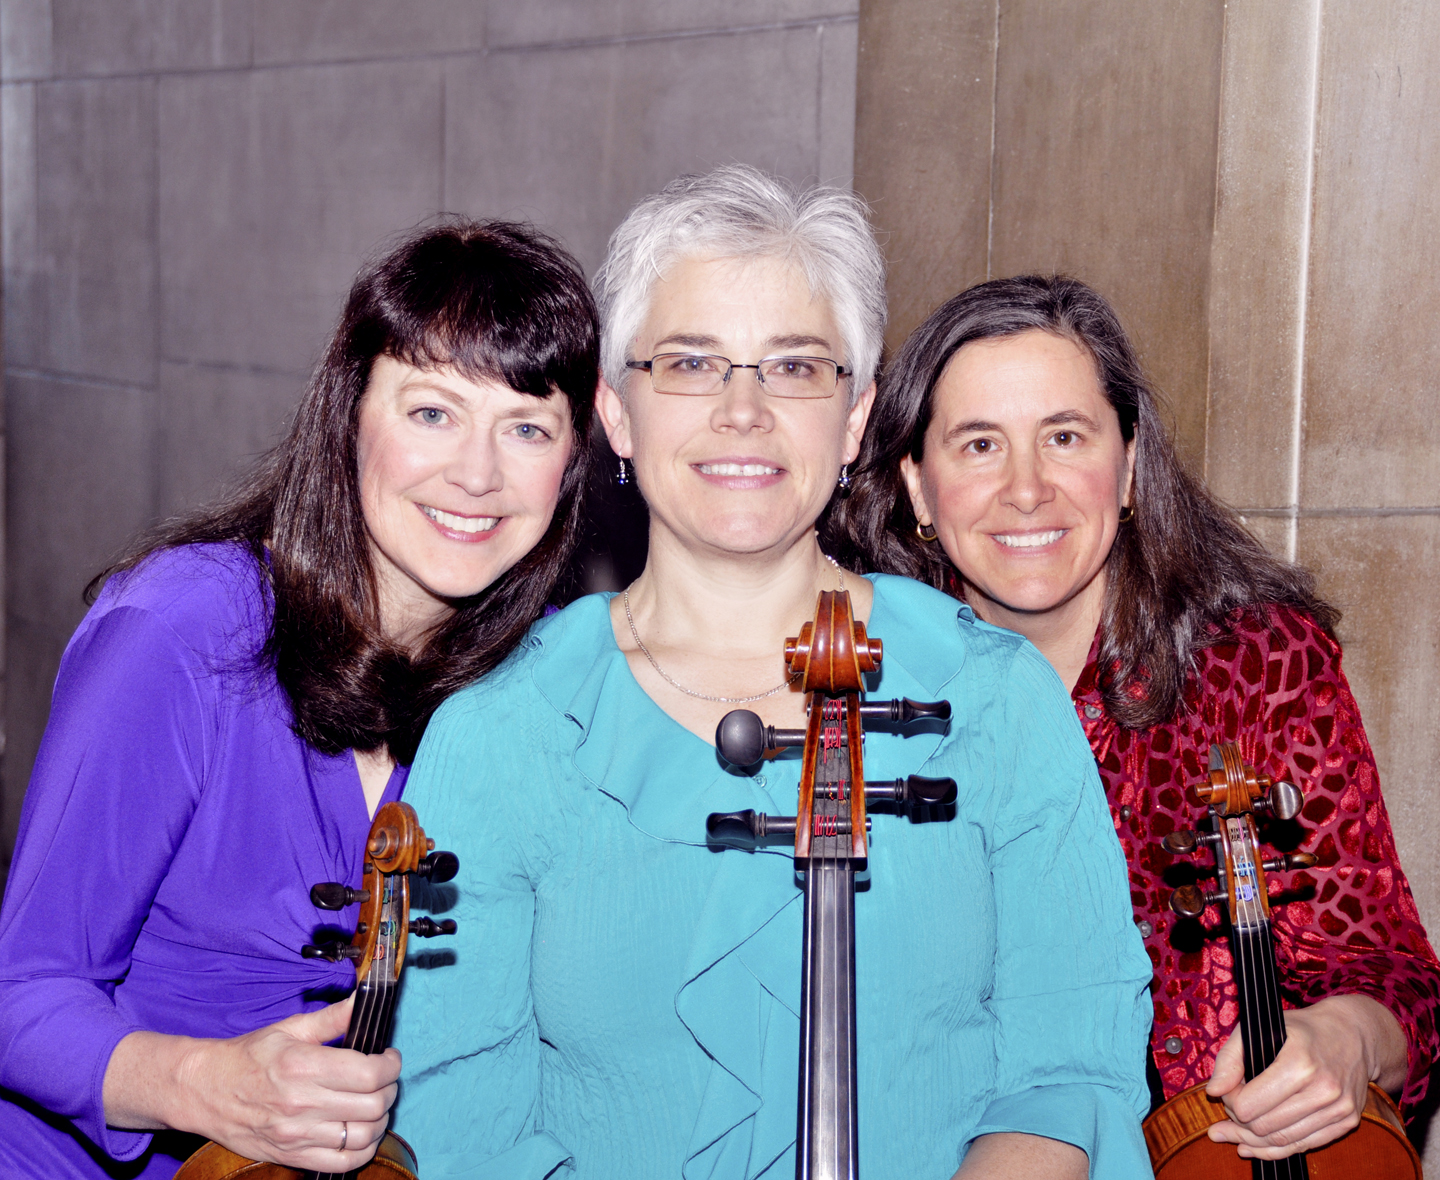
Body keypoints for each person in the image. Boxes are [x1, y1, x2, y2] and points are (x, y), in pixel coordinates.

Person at [389, 167, 1153, 1180]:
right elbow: (457, 1117)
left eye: (795, 369)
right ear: (618, 412)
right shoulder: (502, 728)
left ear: (852, 419)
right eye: (693, 365)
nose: (743, 411)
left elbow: (1070, 1063)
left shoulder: (995, 697)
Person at [0, 219, 599, 1179]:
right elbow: (22, 993)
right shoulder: (184, 628)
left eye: (526, 428)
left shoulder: (537, 681)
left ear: (571, 464)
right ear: (349, 415)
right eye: (432, 413)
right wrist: (203, 1085)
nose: (478, 475)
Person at [831, 273, 1440, 1163]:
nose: (1028, 489)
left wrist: (1347, 1040)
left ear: (1126, 463)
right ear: (917, 489)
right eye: (978, 446)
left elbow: (1389, 972)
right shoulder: (859, 691)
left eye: (1065, 437)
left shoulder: (1255, 665)